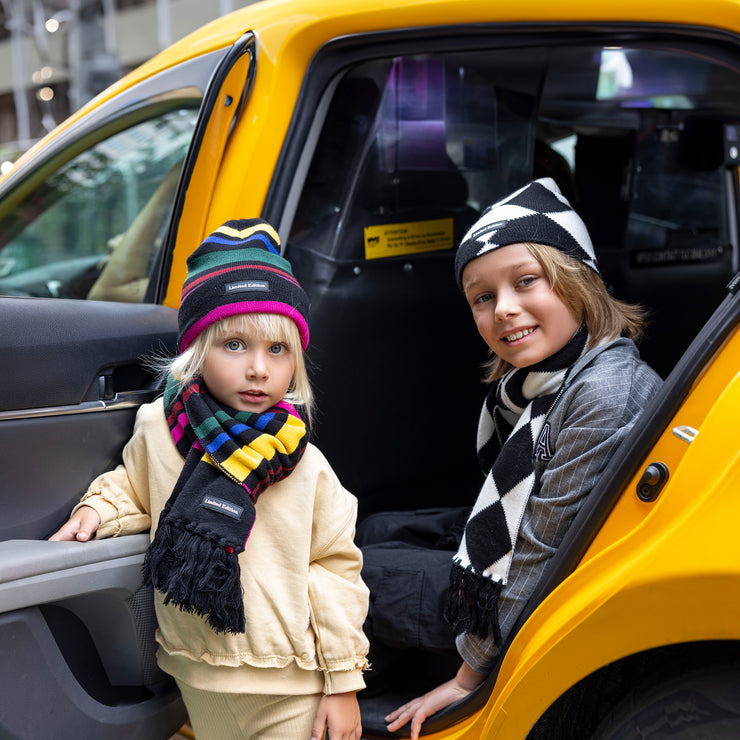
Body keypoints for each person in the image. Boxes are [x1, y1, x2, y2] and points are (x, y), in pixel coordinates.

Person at [362, 177, 662, 738]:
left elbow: (538, 557)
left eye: (526, 282)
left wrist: (468, 676)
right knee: (375, 525)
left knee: (347, 573)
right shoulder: (552, 379)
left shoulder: (604, 395)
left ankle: (359, 693)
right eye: (482, 297)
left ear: (581, 281)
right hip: (509, 566)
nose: (504, 309)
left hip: (525, 605)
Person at [51, 219, 370, 740]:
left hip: (291, 682)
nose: (258, 370)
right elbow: (134, 488)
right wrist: (96, 511)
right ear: (196, 350)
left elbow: (336, 574)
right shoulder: (159, 429)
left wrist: (342, 683)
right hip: (195, 671)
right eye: (235, 345)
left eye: (277, 350)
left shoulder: (304, 464)